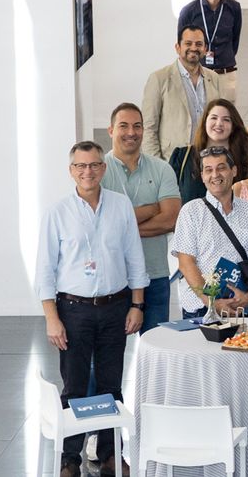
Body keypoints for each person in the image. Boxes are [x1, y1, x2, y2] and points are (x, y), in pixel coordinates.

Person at [37, 142, 149, 477]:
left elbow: (134, 257)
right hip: (73, 310)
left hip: (116, 307)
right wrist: (51, 318)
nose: (88, 171)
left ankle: (111, 453)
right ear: (71, 170)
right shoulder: (57, 213)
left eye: (95, 165)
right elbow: (45, 269)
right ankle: (70, 457)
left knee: (111, 384)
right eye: (81, 166)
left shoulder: (120, 205)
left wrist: (137, 304)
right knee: (73, 386)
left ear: (104, 168)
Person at [101, 104, 180, 331]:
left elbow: (171, 219)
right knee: (106, 357)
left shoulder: (162, 169)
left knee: (156, 352)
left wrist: (121, 226)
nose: (131, 132)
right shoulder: (99, 171)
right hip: (113, 279)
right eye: (123, 126)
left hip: (154, 275)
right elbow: (102, 224)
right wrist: (153, 209)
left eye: (137, 126)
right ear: (110, 130)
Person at [173, 147, 248, 319]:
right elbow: (186, 263)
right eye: (208, 170)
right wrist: (212, 303)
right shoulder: (191, 211)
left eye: (221, 167)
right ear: (202, 176)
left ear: (233, 170)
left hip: (246, 308)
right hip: (202, 310)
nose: (215, 175)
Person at [142, 25, 222, 161]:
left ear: (205, 49)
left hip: (207, 159)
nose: (194, 48)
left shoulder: (213, 78)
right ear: (178, 47)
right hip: (173, 161)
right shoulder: (159, 79)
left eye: (199, 44)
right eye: (188, 43)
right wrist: (157, 166)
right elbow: (148, 127)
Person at [177, 0, 244, 103]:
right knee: (199, 119)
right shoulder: (189, 11)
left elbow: (234, 42)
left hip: (226, 75)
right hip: (199, 73)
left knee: (228, 119)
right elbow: (182, 46)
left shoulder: (234, 8)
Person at [170, 99, 248, 203]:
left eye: (226, 119)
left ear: (233, 126)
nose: (219, 123)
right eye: (214, 118)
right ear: (205, 122)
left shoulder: (244, 160)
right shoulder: (182, 157)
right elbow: (168, 199)